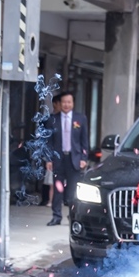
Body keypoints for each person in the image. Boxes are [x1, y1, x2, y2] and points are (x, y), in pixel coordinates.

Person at [45, 91, 89, 226]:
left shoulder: (80, 119)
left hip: (74, 159)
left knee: (72, 191)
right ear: (60, 103)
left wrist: (84, 157)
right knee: (58, 190)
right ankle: (56, 216)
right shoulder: (52, 120)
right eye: (64, 102)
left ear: (73, 103)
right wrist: (48, 159)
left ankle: (73, 216)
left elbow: (84, 140)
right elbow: (49, 142)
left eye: (69, 102)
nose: (66, 105)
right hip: (58, 159)